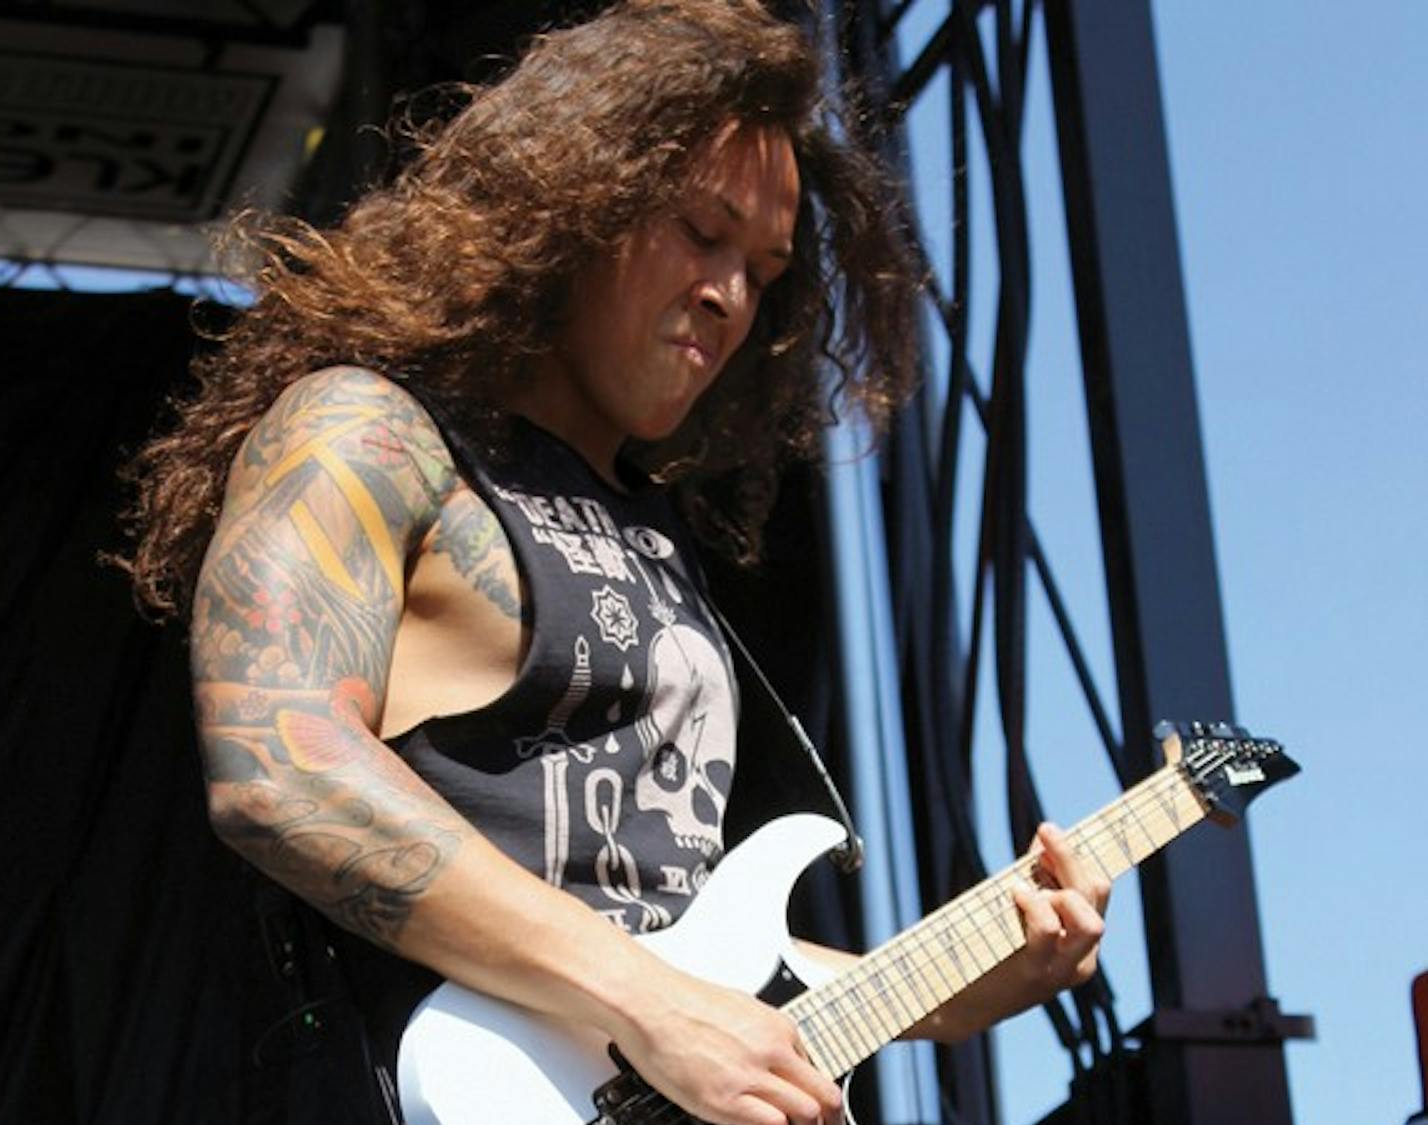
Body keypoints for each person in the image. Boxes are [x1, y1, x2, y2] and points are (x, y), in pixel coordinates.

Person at [120, 3, 1110, 1122]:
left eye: (764, 267)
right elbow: (278, 767)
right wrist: (650, 1005)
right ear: (574, 209)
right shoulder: (370, 435)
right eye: (701, 231)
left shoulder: (657, 534)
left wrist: (964, 986)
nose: (731, 294)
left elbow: (699, 961)